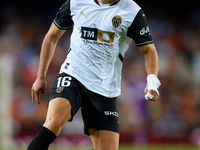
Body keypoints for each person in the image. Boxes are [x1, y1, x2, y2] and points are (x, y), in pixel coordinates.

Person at [28, 0, 161, 149]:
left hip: (105, 88)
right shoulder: (76, 3)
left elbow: (149, 50)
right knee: (54, 122)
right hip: (73, 75)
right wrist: (40, 77)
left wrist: (152, 81)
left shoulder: (132, 11)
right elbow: (51, 36)